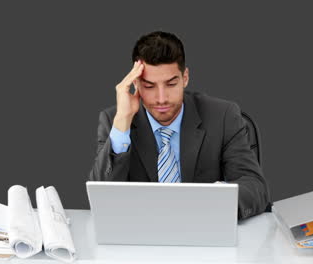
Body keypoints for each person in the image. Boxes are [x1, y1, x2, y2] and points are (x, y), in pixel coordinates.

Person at [89, 31, 270, 219]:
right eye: (149, 86)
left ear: (185, 78)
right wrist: (122, 122)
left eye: (171, 84)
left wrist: (216, 200)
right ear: (136, 83)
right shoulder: (115, 120)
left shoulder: (222, 116)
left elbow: (255, 187)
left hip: (205, 228)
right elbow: (101, 200)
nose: (161, 99)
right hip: (140, 235)